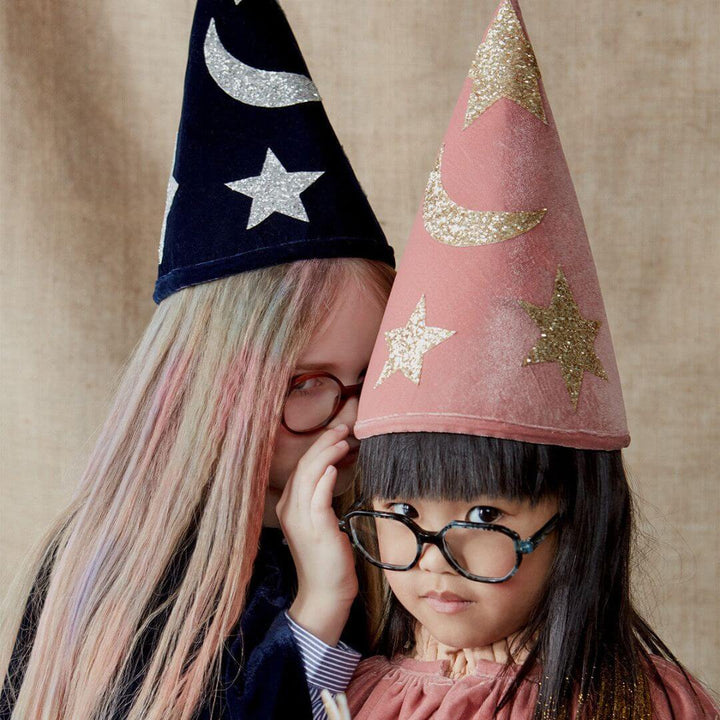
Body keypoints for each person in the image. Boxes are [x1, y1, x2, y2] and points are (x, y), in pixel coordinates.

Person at [280, 1, 719, 717]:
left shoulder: (637, 703)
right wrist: (319, 598)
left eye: (484, 515)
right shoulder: (351, 690)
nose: (429, 559)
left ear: (576, 523)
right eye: (399, 510)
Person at [0, 1, 395, 718]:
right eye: (307, 382)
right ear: (215, 385)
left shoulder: (393, 546)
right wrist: (318, 608)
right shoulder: (122, 574)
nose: (357, 418)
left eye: (373, 379)